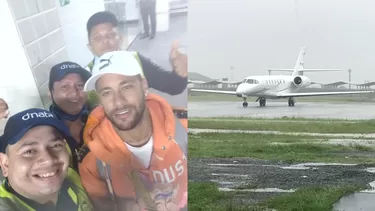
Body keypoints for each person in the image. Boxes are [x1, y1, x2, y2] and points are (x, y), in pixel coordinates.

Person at [79, 51, 188, 211]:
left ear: (144, 86)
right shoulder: (92, 159)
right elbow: (100, 203)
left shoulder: (184, 126)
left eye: (126, 87)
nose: (118, 102)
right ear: (100, 99)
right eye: (107, 92)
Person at [0, 108, 93, 210]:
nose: (48, 160)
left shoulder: (74, 177)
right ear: (5, 164)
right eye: (29, 151)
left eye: (56, 145)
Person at [85, 11, 188, 96]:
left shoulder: (137, 61)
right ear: (90, 47)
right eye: (98, 37)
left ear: (121, 39)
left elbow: (174, 87)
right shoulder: (85, 75)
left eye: (111, 34)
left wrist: (180, 72)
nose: (105, 41)